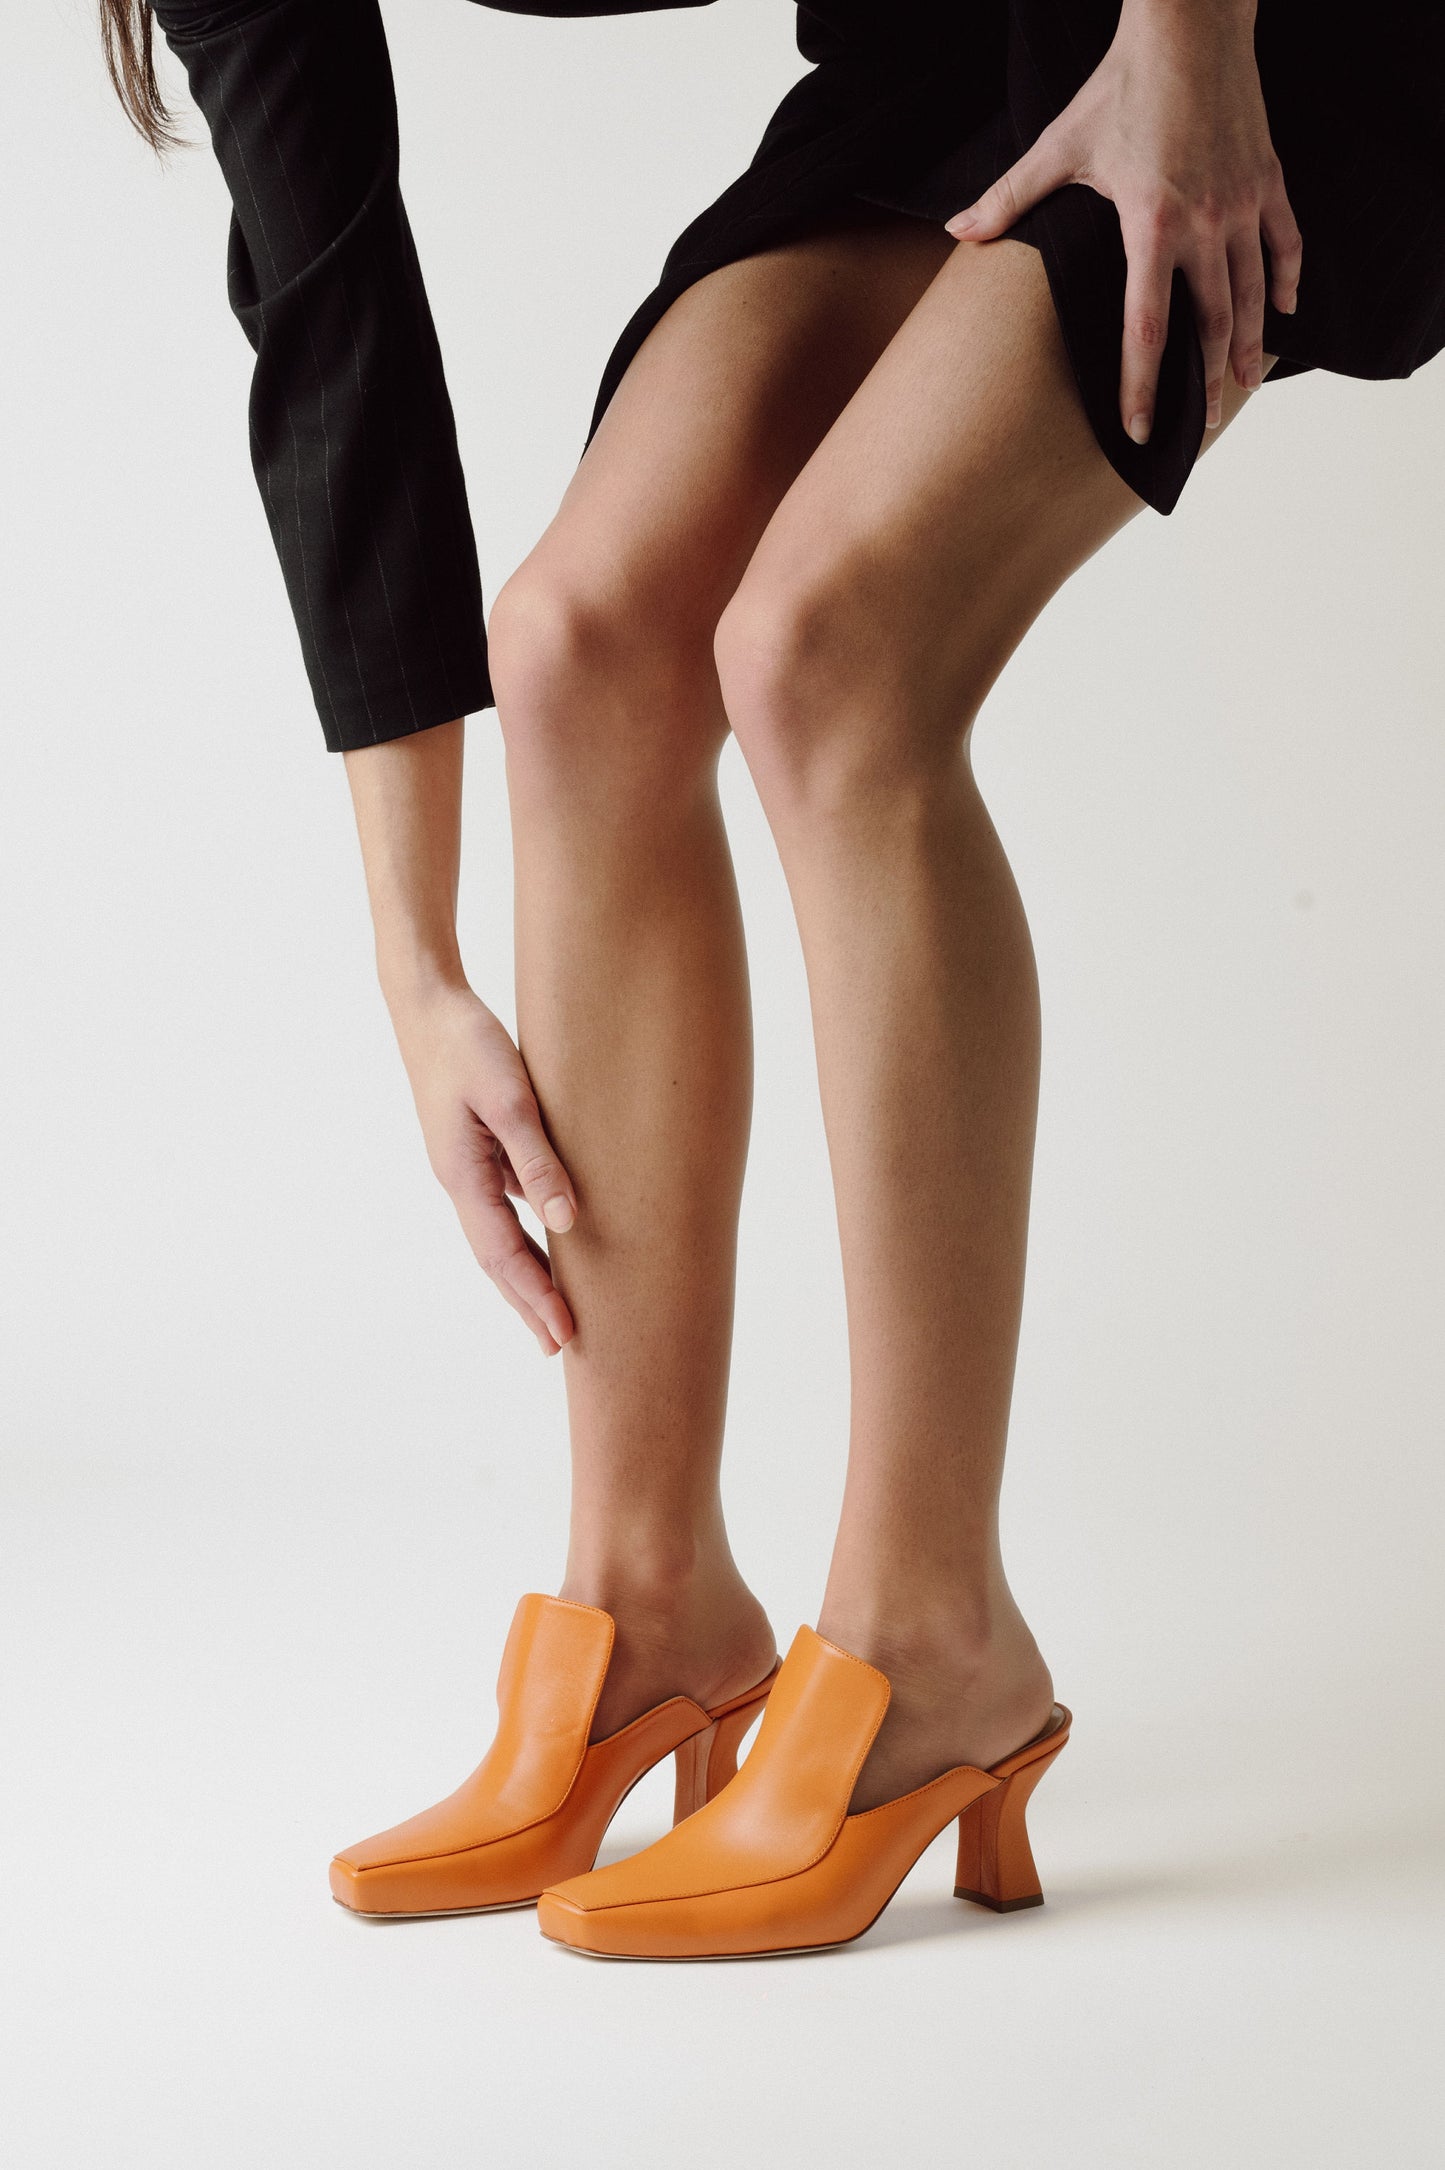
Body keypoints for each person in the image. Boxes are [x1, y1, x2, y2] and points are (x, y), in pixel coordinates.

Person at [102, 0, 1444, 1959]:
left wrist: (1189, 44)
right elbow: (330, 327)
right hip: (944, 45)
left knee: (830, 651)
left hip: (1246, 31)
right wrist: (418, 969)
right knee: (584, 645)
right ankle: (648, 1601)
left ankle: (935, 1634)